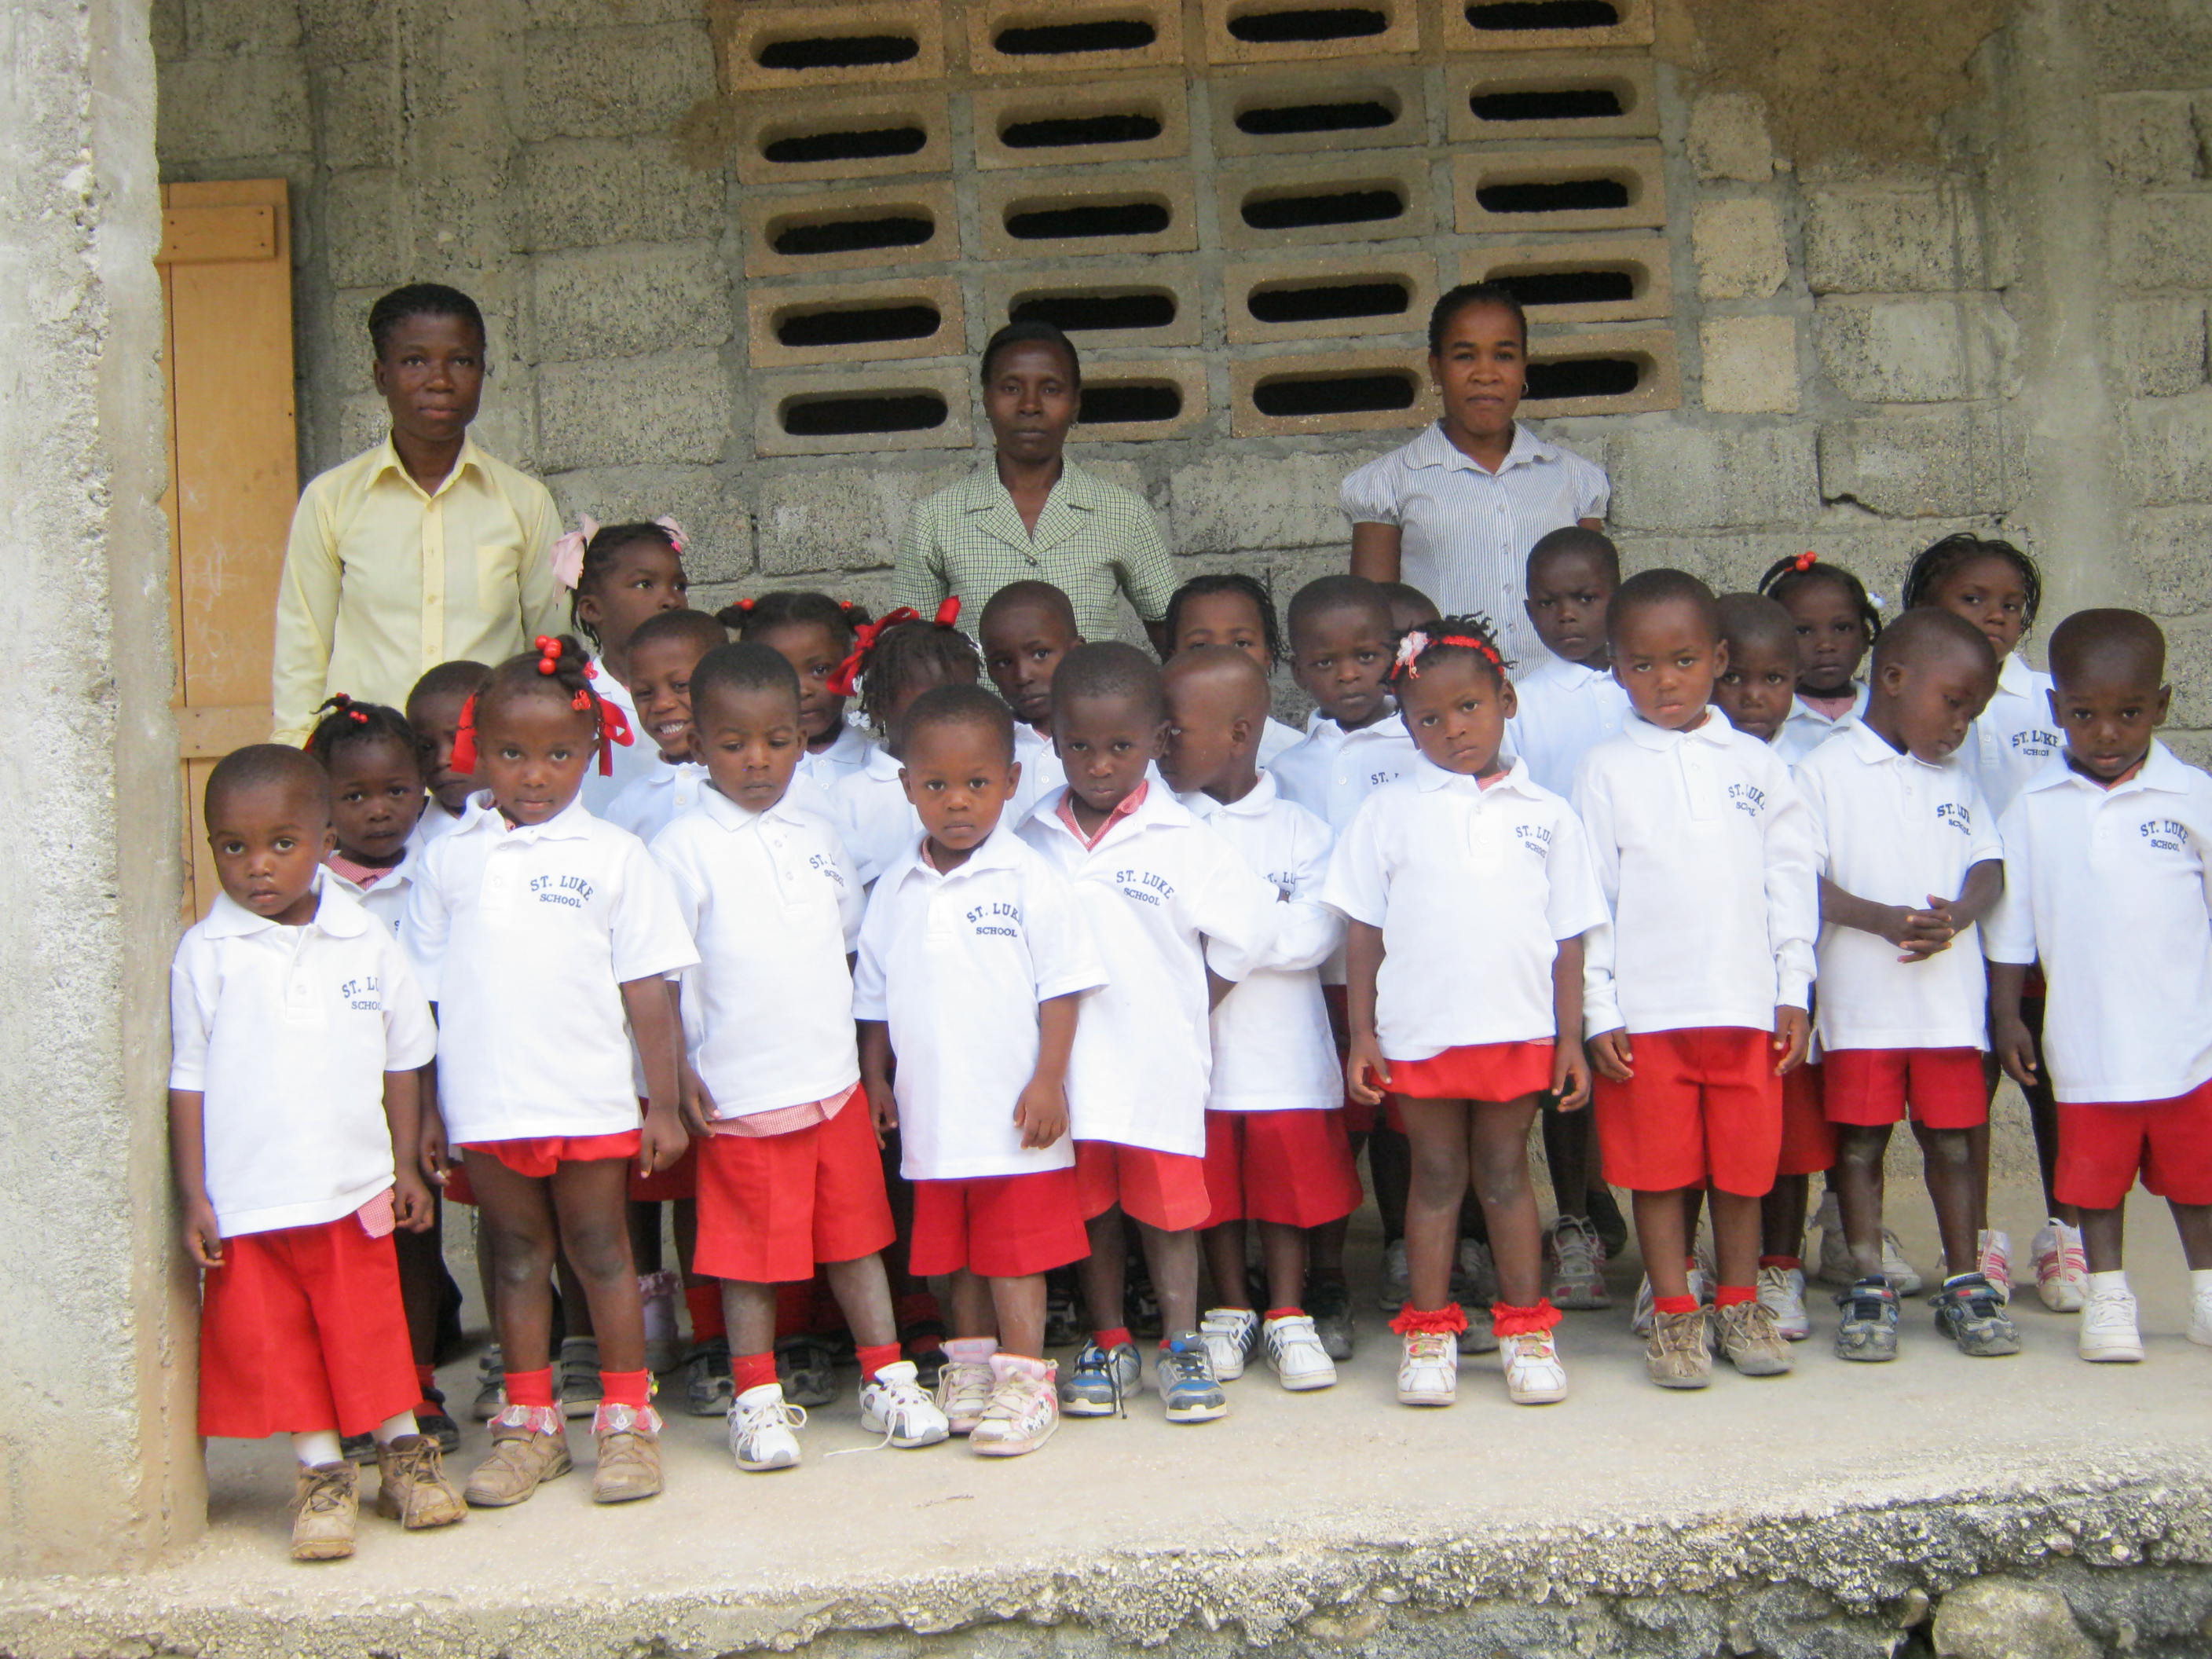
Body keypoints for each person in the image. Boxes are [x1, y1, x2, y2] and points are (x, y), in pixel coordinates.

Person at [400, 635, 697, 1507]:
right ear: (476, 753)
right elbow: (423, 1003)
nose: (535, 775)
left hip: (589, 1097)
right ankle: (530, 1425)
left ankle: (624, 1420)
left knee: (601, 1253)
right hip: (488, 1105)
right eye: (513, 754)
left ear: (591, 752)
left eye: (559, 755)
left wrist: (664, 1103)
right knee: (519, 1259)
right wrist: (425, 1114)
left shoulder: (613, 857)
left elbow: (650, 992)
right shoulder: (450, 859)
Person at [650, 643, 947, 1470]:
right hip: (740, 1096)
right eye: (735, 742)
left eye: (778, 740)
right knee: (750, 1260)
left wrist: (866, 1067)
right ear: (697, 742)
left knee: (856, 1241)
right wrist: (674, 1080)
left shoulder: (816, 830)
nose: (758, 760)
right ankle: (755, 1397)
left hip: (832, 1086)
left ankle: (887, 1376)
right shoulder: (681, 849)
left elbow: (849, 953)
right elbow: (660, 980)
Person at [170, 745, 463, 1561]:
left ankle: (404, 1455)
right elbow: (186, 1079)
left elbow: (404, 1054)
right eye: (233, 846)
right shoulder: (207, 952)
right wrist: (195, 1194)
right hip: (252, 1197)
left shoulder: (363, 938)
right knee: (280, 1341)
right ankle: (322, 1474)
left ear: (325, 835)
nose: (257, 866)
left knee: (367, 1327)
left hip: (352, 1184)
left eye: (282, 843)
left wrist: (406, 1165)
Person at [1328, 616, 1604, 1408]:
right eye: (1428, 719)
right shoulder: (1389, 813)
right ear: (1405, 726)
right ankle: (1427, 1330)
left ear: (1505, 701)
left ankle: (1523, 1328)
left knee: (1507, 1175)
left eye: (1468, 709)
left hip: (1516, 1034)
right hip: (1420, 1036)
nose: (1452, 730)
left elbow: (1567, 938)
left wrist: (1569, 1039)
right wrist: (1363, 1036)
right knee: (1435, 1175)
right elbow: (1362, 933)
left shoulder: (1546, 814)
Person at [1019, 643, 1282, 1426]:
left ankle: (1179, 1339)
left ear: (1159, 740)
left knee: (1169, 1214)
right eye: (1079, 745)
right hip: (1067, 1076)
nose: (1098, 764)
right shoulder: (1030, 838)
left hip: (1157, 1068)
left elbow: (1247, 934)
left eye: (1121, 746)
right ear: (1054, 739)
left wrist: (1184, 1009)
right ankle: (1108, 1340)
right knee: (1092, 1211)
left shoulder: (1184, 840)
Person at [1573, 570, 1818, 1390]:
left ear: (1716, 658)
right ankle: (1675, 1315)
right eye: (1640, 665)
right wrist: (1598, 1006)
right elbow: (1591, 897)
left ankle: (1741, 1305)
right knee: (1659, 1172)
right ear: (1613, 668)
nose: (1663, 680)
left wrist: (1794, 989)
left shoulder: (1755, 765)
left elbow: (1788, 883)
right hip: (1648, 1014)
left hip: (1743, 1006)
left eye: (1681, 660)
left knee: (1743, 1173)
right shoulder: (1605, 768)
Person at [855, 684, 1105, 1456]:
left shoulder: (1028, 877)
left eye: (975, 784)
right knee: (952, 1255)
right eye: (935, 786)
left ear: (1009, 782)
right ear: (905, 786)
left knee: (1015, 1252)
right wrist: (874, 1082)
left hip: (1012, 1113)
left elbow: (1061, 988)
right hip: (934, 1113)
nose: (956, 803)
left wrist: (1047, 1080)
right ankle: (966, 1366)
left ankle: (1026, 1378)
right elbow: (873, 1001)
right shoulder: (895, 888)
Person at [1987, 609, 2212, 1363]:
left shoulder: (2192, 799)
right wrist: (2006, 1016)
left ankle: (2207, 1290)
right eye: (2084, 714)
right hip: (2084, 1042)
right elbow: (2013, 927)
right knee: (2094, 1184)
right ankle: (2109, 1297)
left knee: (2199, 1181)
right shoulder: (2034, 809)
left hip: (2188, 1039)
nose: (2107, 732)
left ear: (2163, 706)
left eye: (2129, 714)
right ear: (2056, 710)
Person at [1797, 610, 2017, 1362]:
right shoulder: (1824, 771)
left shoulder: (1956, 779)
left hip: (1947, 1012)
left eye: (1973, 712)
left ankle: (1964, 1281)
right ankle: (1866, 1280)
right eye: (1953, 703)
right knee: (1858, 1145)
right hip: (1863, 1010)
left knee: (1952, 1142)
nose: (1961, 724)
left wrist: (1958, 913)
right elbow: (1803, 880)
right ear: (1892, 680)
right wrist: (1883, 920)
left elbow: (1989, 865)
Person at [1159, 648, 1353, 1392]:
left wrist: (1232, 936)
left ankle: (1287, 1310)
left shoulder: (1300, 830)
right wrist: (1260, 927)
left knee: (1285, 1193)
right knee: (1215, 1193)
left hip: (1282, 1054)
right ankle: (1230, 1309)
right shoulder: (1166, 829)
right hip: (1201, 1056)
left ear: (1241, 734)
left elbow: (1318, 934)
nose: (1161, 747)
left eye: (1176, 732)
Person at [1902, 532, 2082, 1310]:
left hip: (2039, 935)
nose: (1994, 617)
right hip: (1952, 933)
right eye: (1970, 600)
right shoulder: (1911, 705)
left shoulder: (2046, 699)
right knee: (1962, 1095)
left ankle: (2065, 1231)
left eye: (2010, 605)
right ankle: (1973, 1239)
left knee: (2054, 1083)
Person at [272, 284, 564, 744]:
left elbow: (551, 648)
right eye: (414, 361)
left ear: (484, 372)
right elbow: (302, 649)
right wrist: (297, 750)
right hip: (367, 774)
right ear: (381, 376)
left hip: (485, 774)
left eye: (462, 361)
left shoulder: (525, 502)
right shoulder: (331, 500)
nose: (441, 380)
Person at [303, 695, 460, 1453]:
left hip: (419, 1095)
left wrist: (426, 1114)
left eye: (396, 791)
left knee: (415, 1238)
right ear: (320, 803)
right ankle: (354, 1391)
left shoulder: (440, 869)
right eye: (353, 796)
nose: (378, 811)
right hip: (337, 1103)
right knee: (344, 1254)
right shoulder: (304, 895)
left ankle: (418, 1382)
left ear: (421, 789)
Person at [1269, 574, 1420, 1335]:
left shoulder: (1423, 749)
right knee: (1332, 1131)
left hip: (1412, 981)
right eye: (1325, 663)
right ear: (1296, 671)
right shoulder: (1288, 767)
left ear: (1393, 654)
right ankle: (1326, 1274)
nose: (1348, 675)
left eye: (1365, 655)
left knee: (1407, 1128)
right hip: (1321, 984)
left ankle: (1407, 1250)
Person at [1342, 284, 1609, 666]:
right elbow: (1374, 623)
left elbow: (1596, 609)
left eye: (1504, 355)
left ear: (1523, 367)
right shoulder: (1389, 483)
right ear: (1436, 367)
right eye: (1465, 356)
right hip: (1447, 710)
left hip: (1560, 708)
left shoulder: (1575, 480)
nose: (1486, 374)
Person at [1504, 526, 1632, 1311]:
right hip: (1558, 922)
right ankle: (1577, 1219)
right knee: (1566, 1078)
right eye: (1548, 602)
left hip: (1643, 916)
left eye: (1585, 598)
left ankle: (1650, 1224)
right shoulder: (1523, 700)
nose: (1567, 616)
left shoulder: (1645, 688)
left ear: (1616, 596)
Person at [1711, 594, 1838, 1344]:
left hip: (1783, 986)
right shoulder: (1684, 760)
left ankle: (1778, 1267)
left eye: (1776, 679)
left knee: (1786, 1141)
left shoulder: (1812, 764)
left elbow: (1805, 884)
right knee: (1706, 1149)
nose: (1755, 698)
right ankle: (1706, 1269)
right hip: (1707, 990)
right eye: (1738, 680)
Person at [899, 320, 1177, 648]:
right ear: (986, 400)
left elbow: (1175, 641)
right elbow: (909, 654)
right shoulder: (936, 518)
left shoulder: (1124, 513)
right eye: (1011, 388)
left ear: (1075, 403)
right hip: (979, 702)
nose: (1030, 406)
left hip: (1086, 700)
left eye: (1050, 389)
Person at [832, 602, 983, 886]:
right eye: (928, 704)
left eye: (962, 701)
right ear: (878, 706)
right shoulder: (850, 798)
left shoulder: (987, 786)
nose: (948, 719)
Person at [557, 519, 688, 815]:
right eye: (645, 584)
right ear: (592, 609)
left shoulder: (708, 692)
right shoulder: (575, 702)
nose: (671, 599)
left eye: (679, 585)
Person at [727, 591, 877, 789]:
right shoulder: (745, 775)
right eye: (780, 673)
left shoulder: (882, 767)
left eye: (820, 670)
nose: (802, 690)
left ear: (850, 665)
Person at [602, 610, 726, 845]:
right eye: (644, 693)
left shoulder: (756, 780)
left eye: (680, 686)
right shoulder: (629, 805)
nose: (662, 704)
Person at [1158, 573, 1305, 764]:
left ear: (1267, 656)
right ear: (1173, 659)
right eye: (1200, 645)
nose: (1222, 658)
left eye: (1241, 643)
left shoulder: (1298, 755)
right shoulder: (1151, 759)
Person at [1758, 552, 1881, 765]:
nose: (1825, 645)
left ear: (1865, 636)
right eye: (1803, 631)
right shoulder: (1763, 718)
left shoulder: (1883, 714)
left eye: (1842, 628)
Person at [980, 578, 1082, 825]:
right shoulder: (983, 748)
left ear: (1077, 652)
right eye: (1003, 662)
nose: (1023, 676)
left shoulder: (1117, 740)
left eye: (1040, 654)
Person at [405, 661, 490, 848]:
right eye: (426, 747)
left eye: (462, 741)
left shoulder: (545, 823)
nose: (442, 760)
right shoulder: (404, 842)